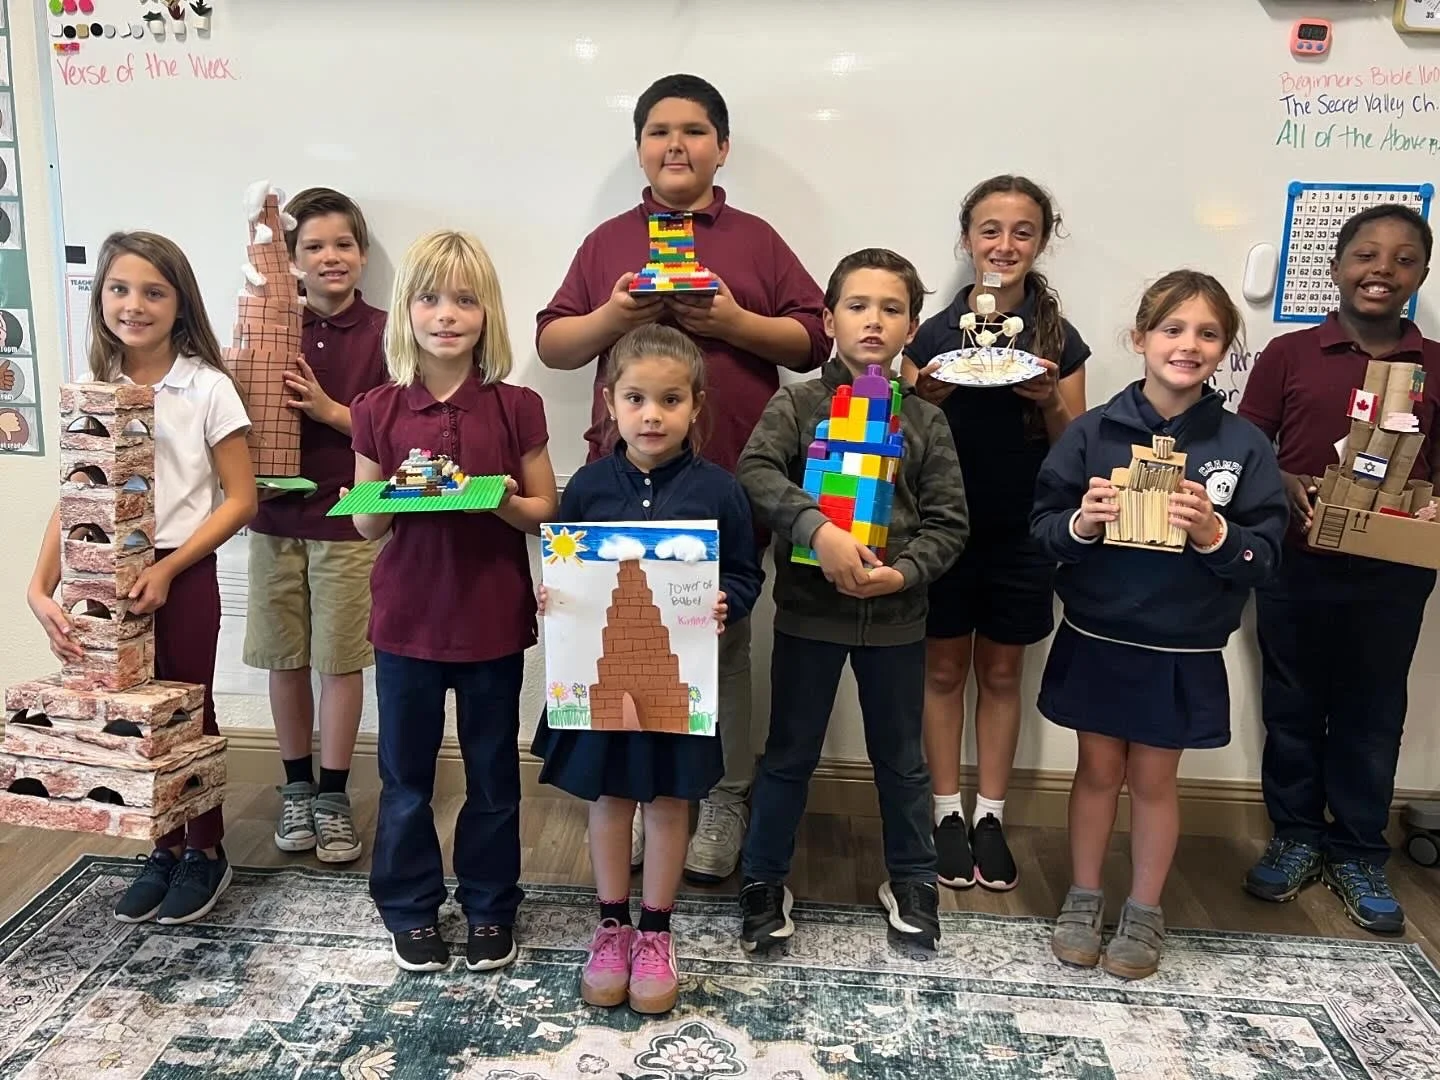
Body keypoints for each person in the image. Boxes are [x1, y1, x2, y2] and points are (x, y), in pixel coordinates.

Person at [536, 73, 829, 883]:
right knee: (617, 639)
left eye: (695, 131)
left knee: (719, 644)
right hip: (618, 486)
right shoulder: (607, 242)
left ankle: (726, 794)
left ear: (721, 147)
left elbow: (814, 340)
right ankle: (627, 786)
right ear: (640, 147)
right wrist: (614, 318)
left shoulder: (758, 239)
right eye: (660, 130)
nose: (676, 144)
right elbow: (555, 344)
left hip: (729, 478)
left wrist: (735, 323)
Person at [1032, 270, 1287, 979]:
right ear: (1140, 339)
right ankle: (1084, 899)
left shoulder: (1244, 446)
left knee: (1154, 779)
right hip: (1099, 635)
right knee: (1095, 772)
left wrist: (1213, 532)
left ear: (1226, 349)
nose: (1188, 345)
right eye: (1172, 329)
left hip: (1184, 646)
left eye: (1208, 333)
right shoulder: (1092, 433)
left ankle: (1143, 910)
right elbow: (1043, 528)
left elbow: (1262, 556)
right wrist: (1083, 521)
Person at [735, 248, 968, 953]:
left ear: (913, 326)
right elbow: (754, 468)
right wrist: (816, 530)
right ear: (829, 317)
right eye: (858, 306)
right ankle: (764, 875)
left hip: (896, 620)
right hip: (811, 612)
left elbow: (950, 522)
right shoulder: (799, 403)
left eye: (892, 309)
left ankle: (913, 874)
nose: (874, 321)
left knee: (902, 758)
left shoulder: (925, 421)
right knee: (788, 753)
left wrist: (905, 575)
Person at [26, 231, 257, 924]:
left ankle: (205, 851)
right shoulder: (95, 391)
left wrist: (169, 567)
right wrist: (41, 589)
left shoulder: (207, 388)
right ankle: (162, 847)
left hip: (179, 571)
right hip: (106, 575)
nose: (135, 304)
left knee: (186, 711)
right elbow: (75, 499)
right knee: (130, 718)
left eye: (154, 291)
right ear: (99, 299)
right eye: (120, 289)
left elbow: (242, 499)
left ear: (179, 303)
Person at [533, 324, 762, 1014]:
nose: (652, 414)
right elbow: (565, 568)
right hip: (602, 683)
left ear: (697, 406)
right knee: (608, 800)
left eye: (670, 400)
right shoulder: (589, 490)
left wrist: (729, 601)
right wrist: (555, 594)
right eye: (636, 398)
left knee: (667, 803)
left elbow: (747, 575)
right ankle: (611, 923)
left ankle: (657, 930)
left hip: (680, 686)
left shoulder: (721, 492)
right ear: (610, 403)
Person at [348, 230, 557, 972]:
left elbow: (544, 510)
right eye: (430, 298)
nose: (446, 314)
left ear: (487, 314)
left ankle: (490, 904)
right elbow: (369, 521)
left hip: (493, 620)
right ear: (405, 311)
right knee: (405, 775)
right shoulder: (374, 407)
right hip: (404, 621)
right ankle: (408, 907)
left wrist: (497, 498)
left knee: (493, 773)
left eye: (465, 299)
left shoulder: (516, 406)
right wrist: (372, 498)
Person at [1239, 203, 1440, 934]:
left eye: (1402, 258)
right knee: (1292, 702)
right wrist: (1282, 480)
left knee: (1372, 710)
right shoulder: (1289, 355)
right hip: (1298, 564)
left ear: (1421, 273)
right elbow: (1244, 444)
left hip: (1392, 576)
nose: (1382, 270)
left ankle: (1358, 849)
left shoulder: (1435, 364)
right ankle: (1295, 836)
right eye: (1366, 255)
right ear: (1335, 267)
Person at [901, 175, 1089, 892]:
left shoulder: (1054, 339)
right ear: (966, 238)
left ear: (1041, 241)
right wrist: (922, 398)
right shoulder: (932, 336)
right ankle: (945, 811)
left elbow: (1076, 446)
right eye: (989, 229)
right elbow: (903, 446)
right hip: (942, 527)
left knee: (1003, 673)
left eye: (1021, 232)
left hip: (1022, 529)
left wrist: (1045, 403)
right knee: (943, 670)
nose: (1004, 245)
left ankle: (991, 815)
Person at [243, 186, 388, 864]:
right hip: (272, 517)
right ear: (292, 260)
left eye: (343, 244)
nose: (331, 257)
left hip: (348, 523)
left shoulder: (391, 332)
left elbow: (401, 429)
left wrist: (333, 412)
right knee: (284, 656)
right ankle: (295, 787)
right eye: (314, 247)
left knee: (339, 660)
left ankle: (333, 795)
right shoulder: (268, 324)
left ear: (361, 254)